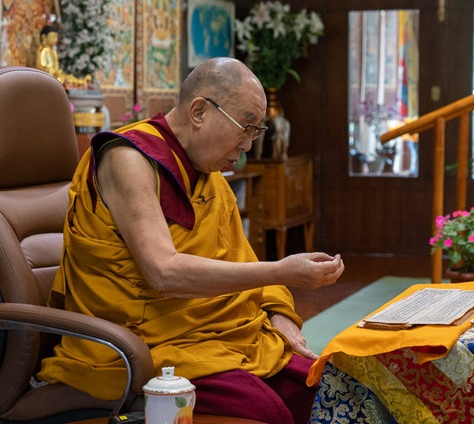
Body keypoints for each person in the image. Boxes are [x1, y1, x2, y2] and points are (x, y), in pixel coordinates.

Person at [37, 57, 345, 424]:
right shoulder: (128, 159)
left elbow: (241, 259)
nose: (247, 145)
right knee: (269, 413)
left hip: (221, 337)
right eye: (245, 127)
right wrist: (282, 270)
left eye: (255, 131)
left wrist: (281, 315)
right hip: (147, 347)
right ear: (199, 111)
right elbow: (164, 272)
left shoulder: (205, 171)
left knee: (326, 388)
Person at [36, 25, 90, 89]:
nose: (55, 40)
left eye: (56, 37)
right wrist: (55, 72)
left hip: (55, 74)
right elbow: (43, 68)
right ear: (44, 37)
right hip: (48, 77)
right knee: (61, 79)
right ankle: (79, 83)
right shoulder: (44, 50)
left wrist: (58, 72)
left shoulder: (53, 51)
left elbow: (56, 66)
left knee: (68, 77)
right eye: (52, 37)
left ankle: (81, 82)